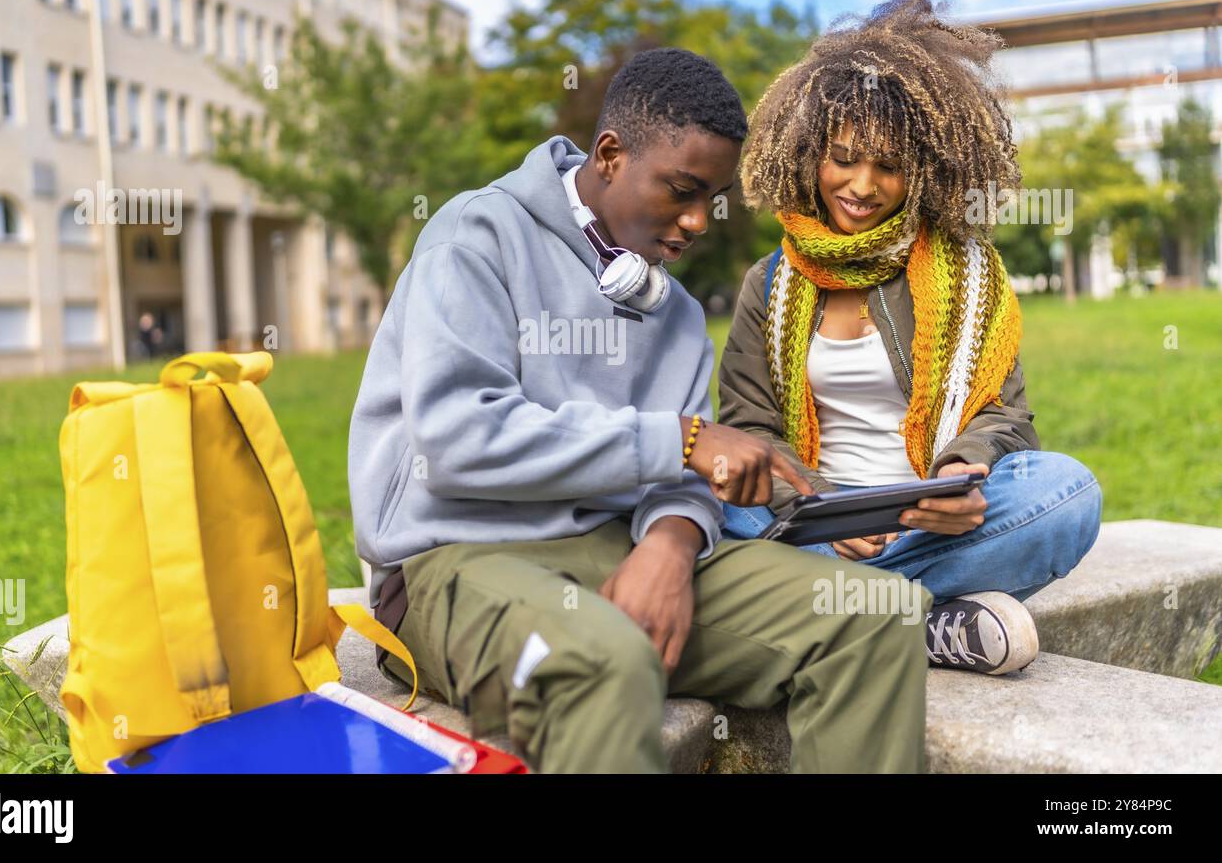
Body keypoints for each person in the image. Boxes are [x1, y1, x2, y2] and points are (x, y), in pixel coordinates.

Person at [348, 47, 932, 773]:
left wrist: (674, 541)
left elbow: (682, 480)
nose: (695, 223)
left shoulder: (677, 313)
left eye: (709, 201)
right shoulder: (475, 237)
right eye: (680, 191)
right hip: (452, 561)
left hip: (618, 545)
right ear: (611, 154)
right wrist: (681, 440)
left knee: (876, 618)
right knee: (607, 660)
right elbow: (456, 438)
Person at [720, 0, 1103, 677]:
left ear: (922, 169)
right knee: (719, 509)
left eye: (887, 166)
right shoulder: (768, 282)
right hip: (814, 517)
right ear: (810, 154)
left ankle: (842, 616)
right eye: (843, 158)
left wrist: (961, 474)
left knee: (1068, 493)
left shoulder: (969, 274)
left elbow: (1007, 417)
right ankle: (923, 623)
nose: (861, 186)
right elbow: (749, 429)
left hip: (926, 511)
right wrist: (816, 507)